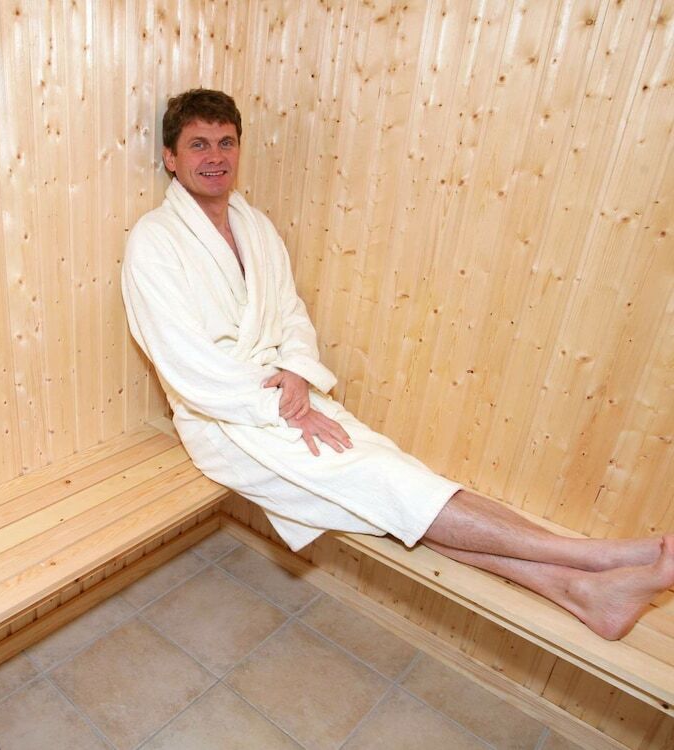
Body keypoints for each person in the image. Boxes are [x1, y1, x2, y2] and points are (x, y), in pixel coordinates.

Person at [121, 88, 673, 641]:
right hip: (226, 418)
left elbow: (290, 311)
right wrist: (281, 406)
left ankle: (584, 594)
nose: (215, 156)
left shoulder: (254, 226)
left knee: (401, 486)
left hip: (289, 395)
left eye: (226, 142)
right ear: (171, 157)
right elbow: (185, 362)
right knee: (391, 484)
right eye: (198, 145)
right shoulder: (154, 241)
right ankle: (594, 557)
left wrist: (298, 374)